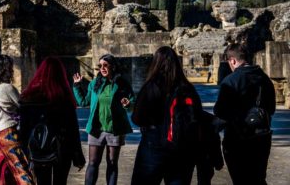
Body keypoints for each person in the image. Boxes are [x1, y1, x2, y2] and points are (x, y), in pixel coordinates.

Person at [131, 46, 202, 185]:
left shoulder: (151, 87)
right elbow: (197, 116)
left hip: (153, 144)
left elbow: (137, 118)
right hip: (181, 148)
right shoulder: (187, 88)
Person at [214, 43, 276, 185]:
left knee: (241, 179)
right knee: (259, 179)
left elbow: (220, 111)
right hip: (262, 137)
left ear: (233, 61)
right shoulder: (265, 79)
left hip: (237, 139)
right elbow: (271, 109)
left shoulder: (230, 81)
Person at [19, 57, 85, 185]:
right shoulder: (64, 97)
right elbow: (73, 130)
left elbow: (24, 131)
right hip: (62, 149)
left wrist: (24, 155)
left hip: (39, 149)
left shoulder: (28, 98)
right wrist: (78, 157)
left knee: (42, 182)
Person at [73, 54, 135, 185]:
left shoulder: (122, 83)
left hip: (115, 129)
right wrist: (77, 86)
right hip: (96, 129)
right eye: (100, 66)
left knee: (112, 163)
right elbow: (83, 102)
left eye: (105, 65)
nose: (102, 68)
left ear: (113, 66)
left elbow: (133, 102)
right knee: (93, 163)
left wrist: (128, 103)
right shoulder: (95, 83)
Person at [0, 54, 33, 185]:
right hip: (8, 134)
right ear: (6, 69)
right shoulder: (8, 88)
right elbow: (23, 105)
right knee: (21, 170)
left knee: (0, 171)